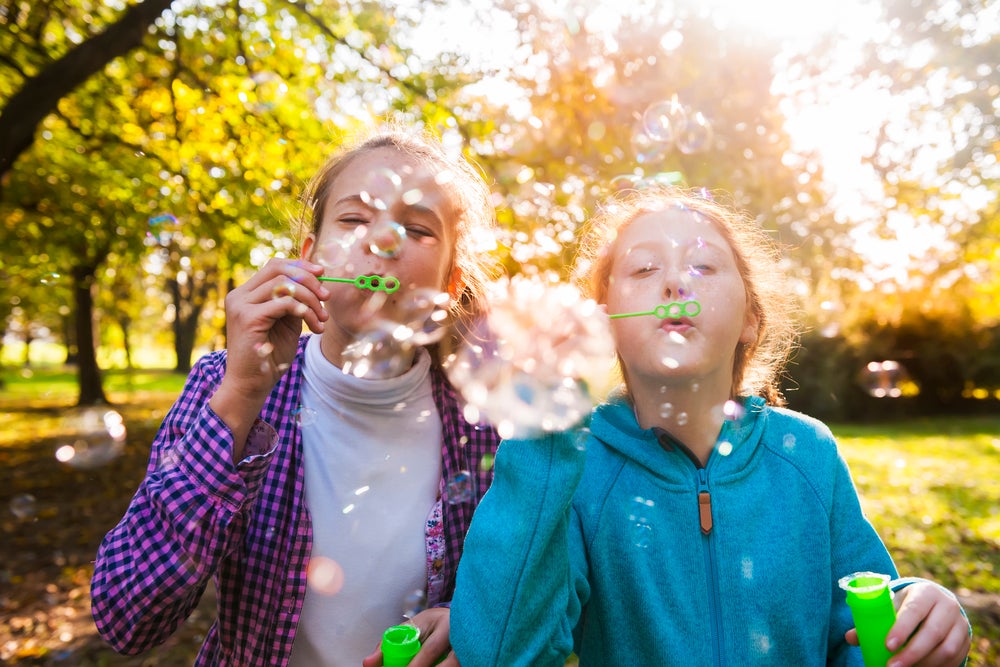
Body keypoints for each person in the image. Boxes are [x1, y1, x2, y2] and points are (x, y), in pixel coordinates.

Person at [449, 187, 972, 666]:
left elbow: (863, 625)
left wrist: (922, 615)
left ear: (750, 318)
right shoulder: (575, 467)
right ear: (604, 323)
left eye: (702, 265)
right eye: (644, 269)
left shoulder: (807, 452)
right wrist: (544, 428)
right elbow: (500, 652)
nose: (676, 282)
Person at [91, 126, 502, 667]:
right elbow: (127, 618)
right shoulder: (227, 385)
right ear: (311, 258)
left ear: (449, 284)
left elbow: (524, 584)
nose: (382, 242)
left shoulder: (486, 420)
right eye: (354, 219)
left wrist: (471, 617)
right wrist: (240, 396)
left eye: (417, 228)